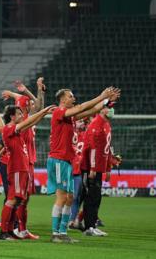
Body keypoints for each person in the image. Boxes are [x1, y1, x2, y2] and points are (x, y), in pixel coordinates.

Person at [47, 87, 120, 243]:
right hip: (58, 160)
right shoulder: (58, 112)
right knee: (62, 197)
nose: (73, 98)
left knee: (70, 197)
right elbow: (81, 107)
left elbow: (92, 109)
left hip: (67, 161)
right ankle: (55, 234)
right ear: (62, 100)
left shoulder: (71, 117)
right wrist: (101, 95)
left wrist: (107, 101)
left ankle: (63, 231)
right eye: (70, 96)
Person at [0, 104, 56, 240]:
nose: (21, 116)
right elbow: (29, 121)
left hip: (22, 168)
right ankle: (3, 231)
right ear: (12, 116)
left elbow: (32, 122)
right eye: (19, 114)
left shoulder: (17, 130)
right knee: (12, 200)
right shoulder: (9, 128)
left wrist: (44, 114)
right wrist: (44, 110)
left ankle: (11, 230)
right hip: (17, 168)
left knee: (18, 200)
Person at [1, 78, 46, 239]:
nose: (32, 105)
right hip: (20, 164)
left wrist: (36, 90)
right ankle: (10, 229)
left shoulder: (25, 120)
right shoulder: (20, 123)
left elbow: (38, 106)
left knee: (22, 198)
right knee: (16, 198)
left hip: (27, 162)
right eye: (29, 104)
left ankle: (18, 229)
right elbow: (39, 108)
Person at [81, 107, 115, 237]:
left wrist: (108, 168)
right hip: (90, 168)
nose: (112, 110)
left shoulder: (105, 124)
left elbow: (106, 149)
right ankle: (88, 227)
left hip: (99, 167)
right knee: (90, 197)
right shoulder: (96, 124)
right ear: (102, 110)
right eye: (109, 108)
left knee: (96, 197)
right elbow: (93, 148)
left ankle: (92, 225)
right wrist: (93, 168)